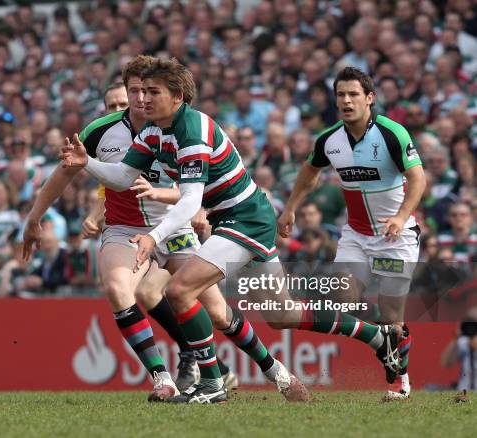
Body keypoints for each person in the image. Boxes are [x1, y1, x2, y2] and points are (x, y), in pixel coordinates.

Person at [62, 58, 401, 404]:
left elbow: (191, 198)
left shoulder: (191, 130)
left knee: (180, 290)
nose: (143, 99)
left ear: (177, 96)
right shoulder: (153, 131)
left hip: (245, 218)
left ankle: (212, 383)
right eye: (141, 91)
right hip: (239, 219)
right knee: (282, 314)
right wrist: (86, 162)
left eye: (153, 92)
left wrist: (153, 236)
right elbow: (120, 177)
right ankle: (377, 337)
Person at [24, 56, 241, 402]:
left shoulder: (181, 129)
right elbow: (74, 172)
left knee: (213, 310)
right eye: (128, 94)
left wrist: (199, 209)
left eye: (143, 92)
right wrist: (34, 218)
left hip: (174, 225)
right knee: (120, 288)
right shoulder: (100, 132)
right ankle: (163, 378)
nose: (139, 100)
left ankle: (227, 367)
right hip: (126, 229)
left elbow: (198, 185)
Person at [278, 67, 427, 400]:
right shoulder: (329, 140)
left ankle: (399, 381)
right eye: (341, 95)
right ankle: (391, 337)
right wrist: (290, 208)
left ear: (369, 98)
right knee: (344, 301)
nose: (346, 101)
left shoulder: (392, 134)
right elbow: (308, 172)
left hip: (395, 239)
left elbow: (418, 179)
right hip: (356, 236)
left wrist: (402, 217)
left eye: (353, 94)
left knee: (391, 317)